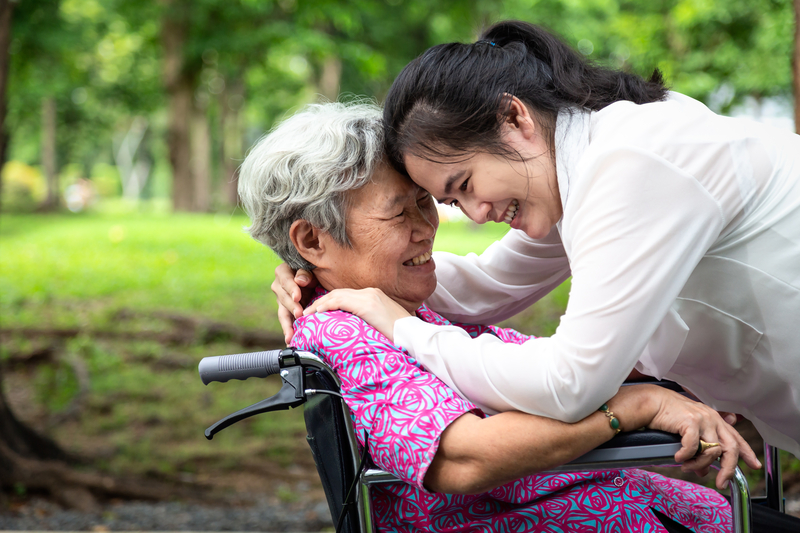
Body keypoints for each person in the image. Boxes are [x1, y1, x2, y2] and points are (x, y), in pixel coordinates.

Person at [236, 101, 798, 533]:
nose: (426, 226)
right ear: (312, 239)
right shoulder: (343, 331)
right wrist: (631, 409)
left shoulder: (407, 309)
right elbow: (462, 458)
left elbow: (529, 353)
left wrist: (663, 392)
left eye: (426, 201)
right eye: (398, 211)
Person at [283, 20, 800, 460]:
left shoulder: (633, 163)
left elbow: (569, 383)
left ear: (514, 119)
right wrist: (327, 274)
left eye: (464, 185)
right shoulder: (577, 168)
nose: (477, 214)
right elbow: (485, 286)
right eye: (455, 203)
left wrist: (402, 329)